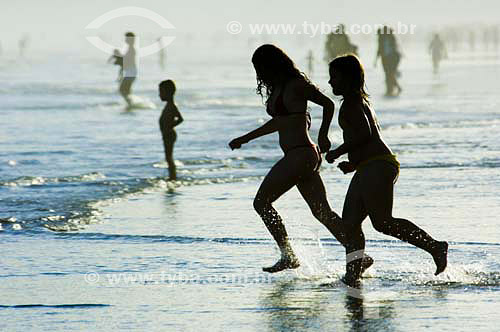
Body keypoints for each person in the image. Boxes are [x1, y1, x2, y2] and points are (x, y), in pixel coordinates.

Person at [229, 44, 373, 274]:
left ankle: (288, 255)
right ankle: (359, 256)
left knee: (261, 203)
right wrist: (245, 138)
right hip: (299, 156)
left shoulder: (296, 85)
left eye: (260, 66)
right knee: (322, 212)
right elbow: (278, 123)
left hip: (301, 154)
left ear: (271, 64)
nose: (259, 72)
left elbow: (327, 103)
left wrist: (324, 134)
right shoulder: (278, 88)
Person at [325, 54, 448, 286]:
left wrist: (337, 152)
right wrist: (353, 163)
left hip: (378, 165)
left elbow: (364, 135)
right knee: (350, 223)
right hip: (370, 165)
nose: (330, 82)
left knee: (382, 222)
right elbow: (364, 139)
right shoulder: (357, 102)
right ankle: (355, 267)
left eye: (334, 77)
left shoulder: (352, 104)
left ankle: (435, 246)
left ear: (348, 78)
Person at [159, 80, 183, 181]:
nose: (159, 95)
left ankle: (173, 177)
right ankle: (172, 176)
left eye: (161, 92)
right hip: (166, 134)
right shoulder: (168, 105)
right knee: (168, 157)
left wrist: (170, 127)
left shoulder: (172, 106)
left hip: (169, 134)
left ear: (168, 93)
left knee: (169, 157)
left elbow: (180, 119)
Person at [375, 27, 402, 96]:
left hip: (390, 58)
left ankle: (391, 89)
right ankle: (392, 89)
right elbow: (380, 49)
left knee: (389, 74)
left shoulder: (388, 37)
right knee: (389, 74)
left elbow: (380, 49)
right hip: (388, 58)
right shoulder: (389, 37)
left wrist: (376, 59)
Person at [120, 32, 138, 105]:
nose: (125, 40)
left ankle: (130, 103)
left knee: (122, 89)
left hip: (131, 72)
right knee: (126, 90)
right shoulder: (130, 48)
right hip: (131, 71)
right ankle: (130, 103)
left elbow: (128, 61)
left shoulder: (131, 49)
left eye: (127, 38)